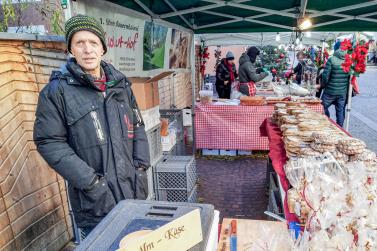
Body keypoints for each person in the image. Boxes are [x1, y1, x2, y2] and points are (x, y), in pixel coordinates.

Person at [33, 15, 150, 238]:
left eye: (93, 43)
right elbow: (48, 141)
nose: (88, 50)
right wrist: (92, 183)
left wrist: (141, 168)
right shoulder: (56, 92)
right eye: (80, 43)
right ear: (71, 49)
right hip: (95, 203)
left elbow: (138, 127)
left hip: (132, 193)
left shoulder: (120, 85)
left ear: (103, 49)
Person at [321, 41, 350, 127]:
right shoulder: (348, 60)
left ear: (335, 48)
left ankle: (327, 122)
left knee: (322, 107)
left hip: (330, 91)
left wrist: (323, 85)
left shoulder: (331, 59)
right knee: (340, 111)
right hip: (342, 92)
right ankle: (340, 129)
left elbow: (325, 76)